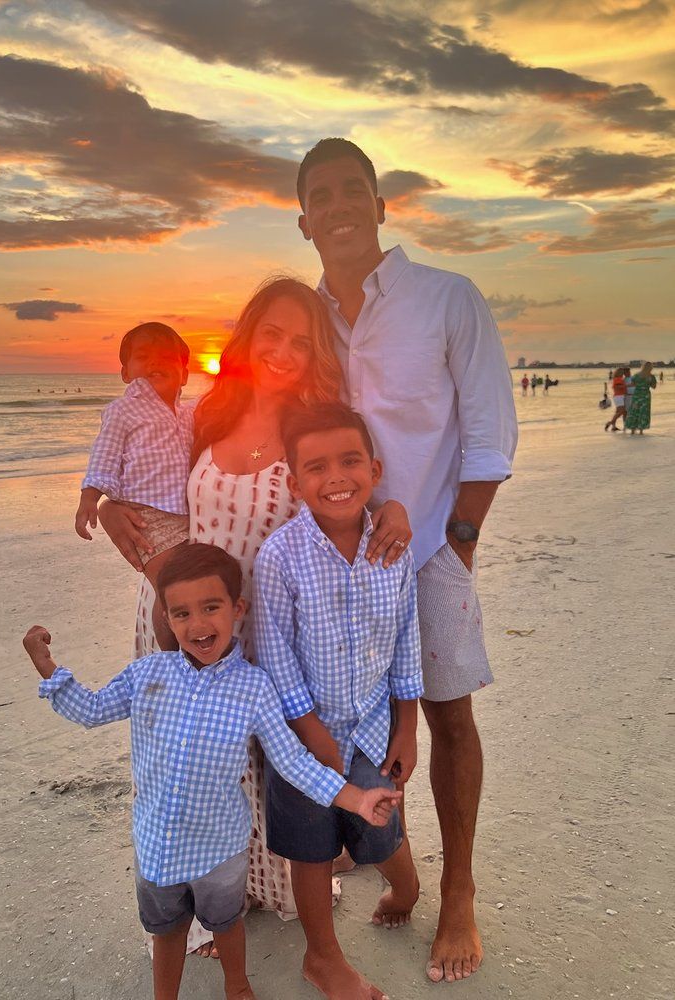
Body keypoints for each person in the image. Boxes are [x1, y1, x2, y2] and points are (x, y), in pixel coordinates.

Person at [97, 277, 412, 957]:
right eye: (270, 332)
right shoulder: (205, 415)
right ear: (247, 336)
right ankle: (216, 898)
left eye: (301, 340)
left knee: (267, 768)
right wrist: (106, 502)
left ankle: (279, 886)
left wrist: (394, 509)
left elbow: (350, 491)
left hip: (267, 629)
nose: (283, 350)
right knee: (195, 767)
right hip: (181, 619)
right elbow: (148, 484)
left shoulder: (314, 423)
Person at [295, 137, 518, 984]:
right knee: (347, 717)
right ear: (304, 218)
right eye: (326, 194)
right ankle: (395, 860)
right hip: (332, 560)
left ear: (383, 206)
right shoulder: (307, 320)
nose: (343, 205)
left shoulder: (446, 299)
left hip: (428, 552)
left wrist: (456, 545)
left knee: (448, 719)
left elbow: (491, 435)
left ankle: (457, 893)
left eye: (357, 190)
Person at [22, 542, 401, 1000]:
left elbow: (293, 762)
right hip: (156, 846)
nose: (198, 625)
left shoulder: (254, 687)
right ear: (165, 617)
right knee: (167, 929)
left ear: (236, 608)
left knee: (226, 921)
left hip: (220, 849)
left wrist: (357, 799)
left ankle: (237, 986)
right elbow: (93, 709)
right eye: (181, 613)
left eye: (211, 608)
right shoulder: (148, 674)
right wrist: (48, 669)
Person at [253, 402, 423, 1000]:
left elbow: (407, 639)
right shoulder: (280, 556)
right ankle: (322, 957)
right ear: (295, 483)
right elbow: (275, 651)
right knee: (310, 845)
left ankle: (406, 891)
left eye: (350, 461)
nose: (336, 477)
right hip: (302, 739)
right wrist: (310, 732)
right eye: (317, 467)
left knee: (381, 826)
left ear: (374, 469)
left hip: (375, 727)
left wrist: (408, 726)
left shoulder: (392, 550)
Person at [75, 322, 193, 650]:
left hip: (184, 519)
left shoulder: (187, 414)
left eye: (166, 357)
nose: (155, 363)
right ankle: (174, 658)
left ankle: (183, 654)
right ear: (125, 372)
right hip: (144, 518)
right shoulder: (123, 411)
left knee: (185, 588)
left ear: (184, 373)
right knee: (171, 589)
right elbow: (105, 454)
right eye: (143, 357)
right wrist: (90, 497)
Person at [624, 361, 657, 434]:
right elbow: (654, 387)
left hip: (637, 395)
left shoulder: (636, 375)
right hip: (645, 396)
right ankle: (641, 431)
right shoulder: (651, 376)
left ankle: (632, 430)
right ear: (650, 368)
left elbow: (632, 384)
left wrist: (624, 386)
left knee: (634, 411)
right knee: (643, 412)